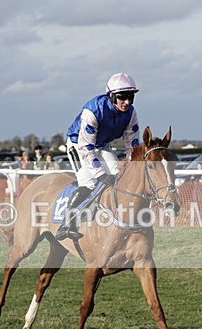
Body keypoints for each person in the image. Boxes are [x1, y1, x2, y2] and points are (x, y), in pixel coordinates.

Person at [55, 72, 141, 241]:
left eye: (131, 96)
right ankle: (66, 223)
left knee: (118, 175)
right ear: (111, 96)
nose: (127, 102)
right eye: (122, 97)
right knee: (89, 182)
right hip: (79, 145)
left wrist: (133, 167)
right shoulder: (93, 110)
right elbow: (86, 148)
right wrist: (100, 174)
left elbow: (132, 144)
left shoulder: (131, 113)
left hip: (101, 146)